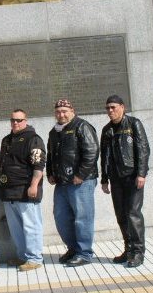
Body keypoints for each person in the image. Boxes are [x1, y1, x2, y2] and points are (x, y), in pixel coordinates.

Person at [46, 99, 99, 267]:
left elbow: (92, 151)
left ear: (72, 111)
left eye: (64, 111)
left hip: (81, 181)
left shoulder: (82, 126)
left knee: (82, 218)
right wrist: (50, 173)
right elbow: (50, 155)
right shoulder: (54, 132)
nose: (61, 114)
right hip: (61, 182)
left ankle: (84, 253)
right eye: (58, 111)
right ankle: (74, 249)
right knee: (61, 217)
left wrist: (81, 174)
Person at [101, 95, 150, 268]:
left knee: (133, 213)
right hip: (116, 179)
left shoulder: (133, 124)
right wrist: (104, 179)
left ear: (122, 107)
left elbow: (143, 149)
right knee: (121, 215)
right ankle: (128, 250)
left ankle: (138, 252)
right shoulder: (107, 130)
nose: (110, 111)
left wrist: (141, 174)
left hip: (132, 177)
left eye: (113, 107)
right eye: (108, 108)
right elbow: (104, 156)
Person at [0, 109, 46, 271]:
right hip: (8, 191)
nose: (15, 123)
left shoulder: (33, 139)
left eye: (19, 120)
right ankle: (23, 256)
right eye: (13, 120)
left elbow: (38, 165)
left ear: (26, 121)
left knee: (31, 226)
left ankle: (35, 258)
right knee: (16, 228)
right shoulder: (6, 140)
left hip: (26, 190)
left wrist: (34, 185)